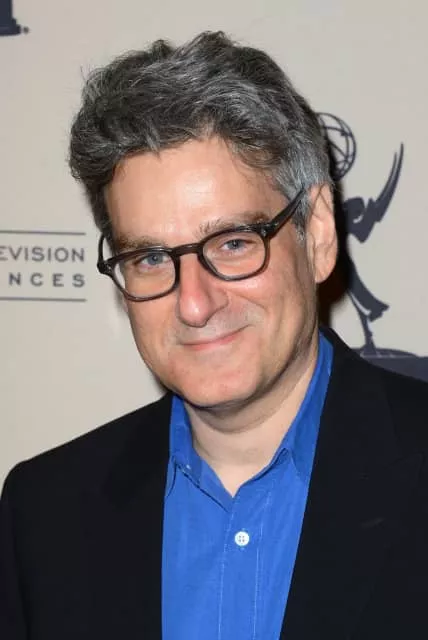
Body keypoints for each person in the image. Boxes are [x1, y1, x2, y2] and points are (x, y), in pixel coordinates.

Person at [1, 31, 428, 640]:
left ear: (318, 233)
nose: (194, 304)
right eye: (151, 257)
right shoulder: (44, 513)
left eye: (232, 243)